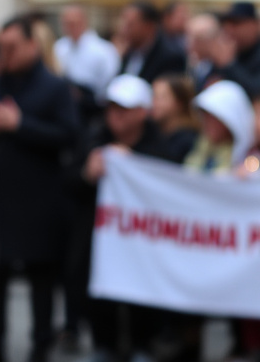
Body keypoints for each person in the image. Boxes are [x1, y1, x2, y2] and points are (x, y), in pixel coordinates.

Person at [0, 15, 79, 362]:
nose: (6, 54)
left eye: (12, 47)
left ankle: (40, 346)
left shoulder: (54, 87)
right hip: (0, 202)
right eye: (1, 48)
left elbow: (68, 136)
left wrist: (20, 125)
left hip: (40, 202)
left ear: (33, 45)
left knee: (41, 279)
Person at [75, 74, 178, 362]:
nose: (115, 115)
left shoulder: (160, 146)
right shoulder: (94, 137)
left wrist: (133, 164)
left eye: (124, 108)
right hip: (99, 241)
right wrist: (87, 173)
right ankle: (104, 344)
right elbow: (69, 182)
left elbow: (171, 188)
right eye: (111, 107)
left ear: (142, 112)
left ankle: (142, 345)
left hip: (143, 245)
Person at [54, 4, 120, 116]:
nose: (70, 27)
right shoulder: (59, 47)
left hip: (93, 108)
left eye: (73, 23)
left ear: (84, 22)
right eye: (66, 24)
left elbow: (110, 82)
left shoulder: (104, 50)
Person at [208, 2, 260, 98]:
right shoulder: (230, 52)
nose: (229, 30)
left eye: (236, 23)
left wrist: (229, 65)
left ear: (255, 24)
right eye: (226, 24)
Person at [118, 0, 187, 83]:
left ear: (149, 26)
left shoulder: (171, 57)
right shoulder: (128, 51)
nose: (123, 29)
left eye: (130, 25)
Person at [150, 74, 199, 162]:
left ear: (179, 103)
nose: (154, 103)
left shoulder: (189, 142)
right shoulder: (150, 131)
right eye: (153, 96)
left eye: (161, 98)